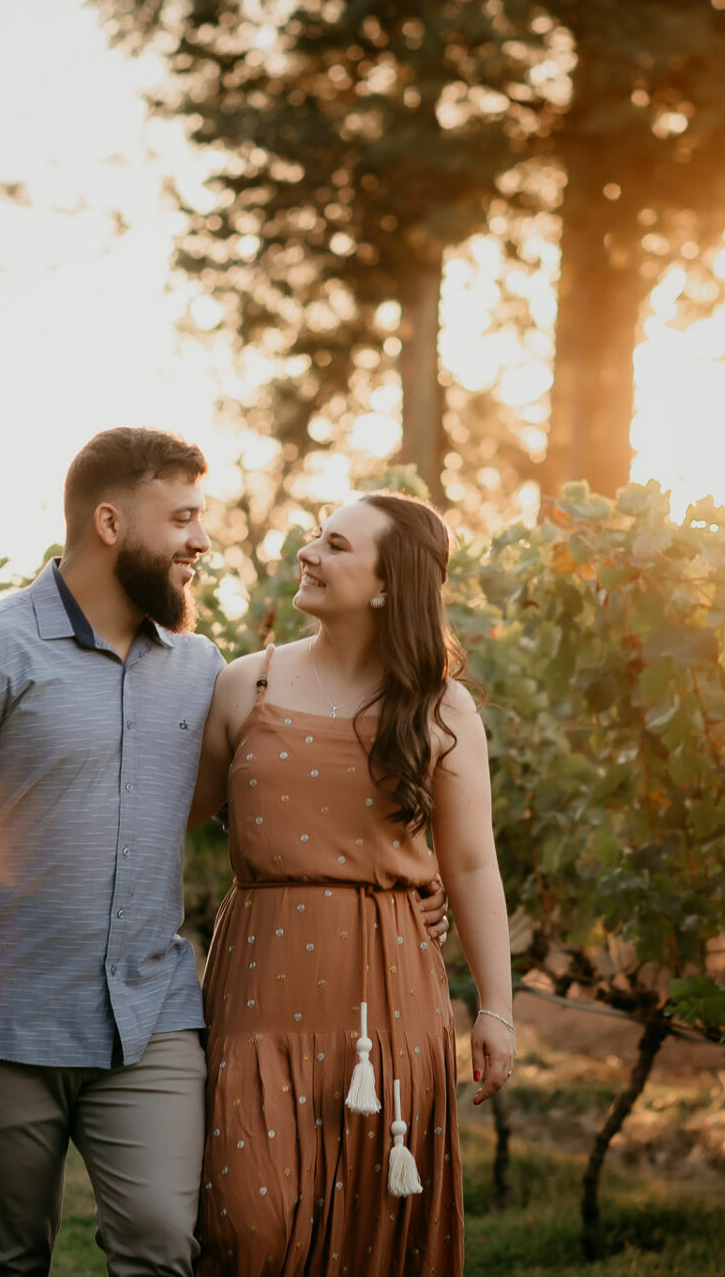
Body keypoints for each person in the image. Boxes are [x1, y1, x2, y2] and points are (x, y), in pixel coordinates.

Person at [0, 428, 451, 1277]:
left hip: (151, 1021)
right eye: (182, 519)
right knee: (4, 1258)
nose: (202, 541)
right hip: (4, 1020)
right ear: (110, 523)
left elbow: (275, 791)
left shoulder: (201, 669)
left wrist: (401, 877)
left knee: (162, 1248)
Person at [188, 492, 516, 1276]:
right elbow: (166, 824)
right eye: (316, 536)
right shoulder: (244, 684)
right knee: (246, 1230)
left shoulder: (441, 708)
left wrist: (497, 1008)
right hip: (257, 993)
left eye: (336, 545)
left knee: (374, 1233)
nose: (308, 553)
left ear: (386, 585)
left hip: (391, 1000)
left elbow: (472, 864)